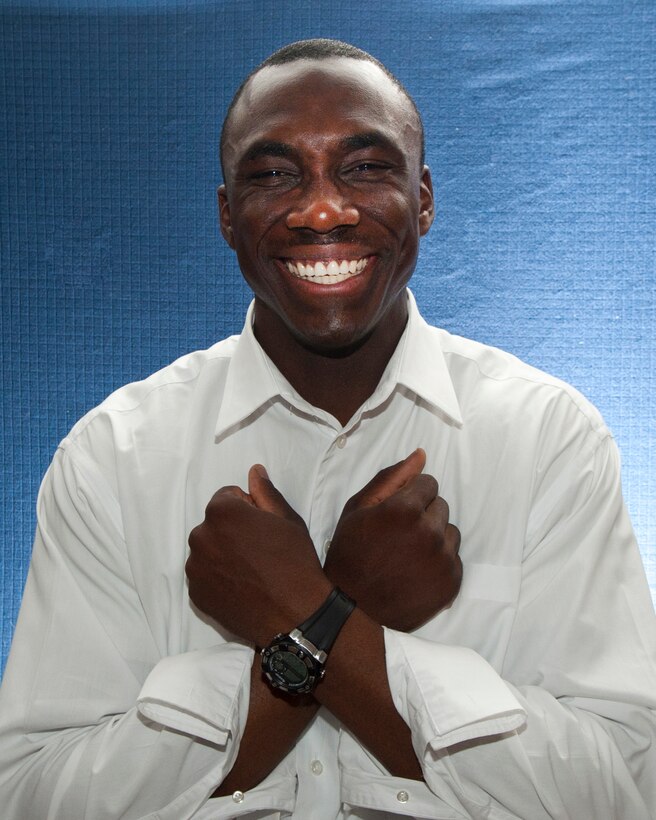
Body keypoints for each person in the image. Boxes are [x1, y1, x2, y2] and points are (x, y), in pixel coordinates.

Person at [0, 38, 655, 820]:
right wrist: (349, 609)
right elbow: (33, 796)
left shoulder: (549, 438)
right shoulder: (112, 457)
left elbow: (622, 788)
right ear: (226, 217)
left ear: (424, 199)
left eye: (367, 167)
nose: (320, 209)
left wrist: (305, 620)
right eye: (275, 175)